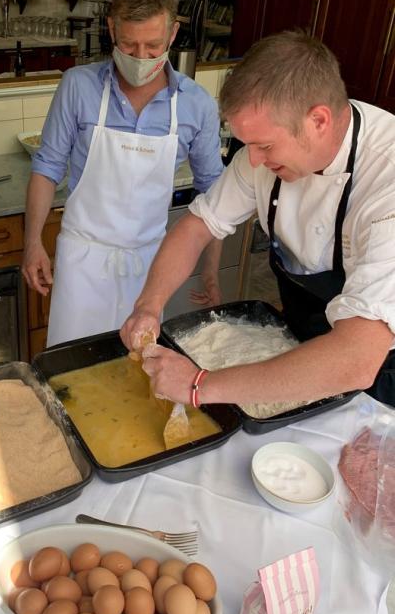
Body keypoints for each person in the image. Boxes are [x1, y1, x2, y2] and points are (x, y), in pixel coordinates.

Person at [121, 30, 395, 409]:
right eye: (246, 145)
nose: (252, 162)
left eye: (264, 146)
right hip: (300, 342)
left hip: (379, 372)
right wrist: (149, 306)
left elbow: (356, 357)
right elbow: (197, 227)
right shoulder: (260, 157)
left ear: (318, 120)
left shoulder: (387, 179)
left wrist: (198, 385)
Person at [21, 0, 224, 347]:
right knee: (72, 370)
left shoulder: (195, 105)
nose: (142, 57)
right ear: (112, 28)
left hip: (150, 267)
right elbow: (47, 167)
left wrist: (210, 271)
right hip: (82, 262)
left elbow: (213, 196)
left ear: (173, 34)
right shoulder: (79, 87)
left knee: (137, 370)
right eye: (130, 46)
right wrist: (33, 242)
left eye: (153, 45)